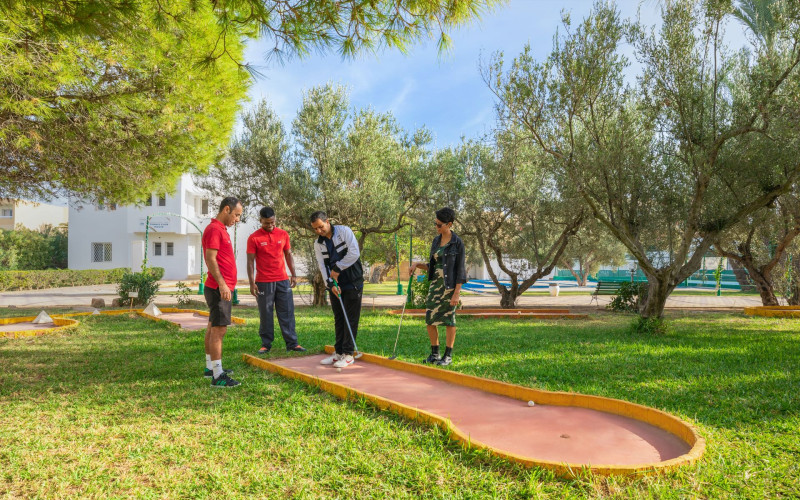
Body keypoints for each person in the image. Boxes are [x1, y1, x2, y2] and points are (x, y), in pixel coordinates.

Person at [409, 207, 466, 366]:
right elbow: (433, 266)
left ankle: (447, 356)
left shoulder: (457, 243)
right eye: (435, 224)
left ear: (449, 224)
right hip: (435, 285)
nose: (436, 227)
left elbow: (460, 270)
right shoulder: (436, 241)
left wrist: (456, 293)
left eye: (439, 225)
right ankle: (435, 354)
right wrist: (416, 264)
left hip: (449, 287)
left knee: (449, 320)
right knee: (430, 319)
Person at [247, 206, 306, 354]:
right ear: (260, 220)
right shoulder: (254, 238)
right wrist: (251, 282)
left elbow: (288, 255)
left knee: (287, 312)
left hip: (282, 280)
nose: (270, 225)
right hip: (263, 281)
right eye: (267, 223)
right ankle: (266, 344)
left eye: (272, 222)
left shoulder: (283, 234)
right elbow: (250, 262)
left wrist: (293, 274)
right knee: (266, 313)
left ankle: (292, 343)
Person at [310, 211, 364, 369]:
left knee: (350, 318)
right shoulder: (318, 244)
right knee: (339, 318)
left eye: (321, 227)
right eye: (315, 229)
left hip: (352, 281)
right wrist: (331, 283)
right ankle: (339, 352)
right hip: (335, 283)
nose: (319, 231)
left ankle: (348, 354)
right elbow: (322, 265)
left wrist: (337, 269)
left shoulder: (344, 231)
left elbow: (354, 253)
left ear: (327, 221)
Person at [202, 196, 243, 388]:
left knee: (212, 328)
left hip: (220, 287)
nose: (237, 219)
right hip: (219, 288)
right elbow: (211, 259)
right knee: (219, 330)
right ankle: (218, 377)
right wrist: (223, 284)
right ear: (226, 209)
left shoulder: (220, 230)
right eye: (236, 215)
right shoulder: (214, 229)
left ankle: (211, 368)